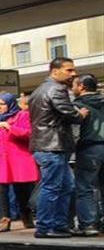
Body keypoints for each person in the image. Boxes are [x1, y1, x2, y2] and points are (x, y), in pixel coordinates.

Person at [29, 57, 89, 238]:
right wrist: (81, 114)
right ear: (55, 71)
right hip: (52, 146)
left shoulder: (40, 90)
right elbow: (69, 113)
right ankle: (45, 227)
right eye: (69, 70)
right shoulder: (56, 89)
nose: (73, 74)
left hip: (50, 146)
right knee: (53, 187)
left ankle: (59, 224)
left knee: (66, 187)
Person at [0, 93, 37, 232]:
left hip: (18, 157)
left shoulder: (22, 115)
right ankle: (5, 219)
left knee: (22, 190)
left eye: (2, 104)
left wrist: (10, 128)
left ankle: (26, 216)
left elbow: (29, 134)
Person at [73, 74, 103, 236]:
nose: (72, 88)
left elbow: (74, 131)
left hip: (89, 149)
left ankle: (89, 224)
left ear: (81, 87)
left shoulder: (78, 105)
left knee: (85, 187)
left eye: (74, 85)